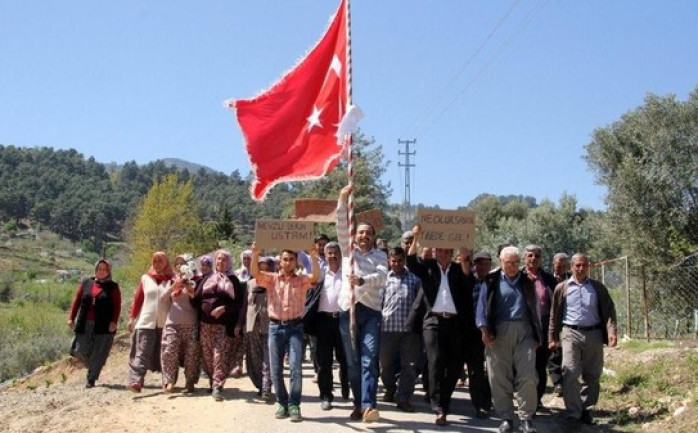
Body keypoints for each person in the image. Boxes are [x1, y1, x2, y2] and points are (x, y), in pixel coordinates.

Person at [406, 225, 472, 426]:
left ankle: (445, 399)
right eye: (439, 250)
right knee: (435, 361)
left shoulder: (458, 270)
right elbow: (410, 262)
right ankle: (439, 407)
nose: (442, 254)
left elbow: (468, 281)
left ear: (452, 253)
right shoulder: (428, 268)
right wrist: (416, 238)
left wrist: (465, 257)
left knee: (454, 365)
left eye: (446, 251)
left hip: (454, 323)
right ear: (435, 252)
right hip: (433, 321)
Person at [336, 185, 388, 423]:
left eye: (369, 233)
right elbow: (340, 223)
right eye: (361, 232)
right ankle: (358, 403)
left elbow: (382, 277)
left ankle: (369, 406)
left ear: (373, 238)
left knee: (369, 358)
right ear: (355, 235)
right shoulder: (348, 253)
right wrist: (342, 198)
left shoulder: (380, 256)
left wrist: (363, 280)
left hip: (371, 313)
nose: (364, 236)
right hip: (349, 310)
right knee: (353, 362)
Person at [251, 242, 320, 423]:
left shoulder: (301, 280)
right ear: (280, 262)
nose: (288, 262)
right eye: (285, 259)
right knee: (276, 368)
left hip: (295, 327)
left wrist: (313, 256)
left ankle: (294, 404)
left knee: (295, 368)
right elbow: (255, 274)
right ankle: (282, 402)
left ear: (296, 262)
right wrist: (255, 254)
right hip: (275, 327)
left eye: (291, 260)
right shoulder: (272, 279)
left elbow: (316, 277)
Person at [476, 246, 541, 433]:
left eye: (515, 262)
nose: (512, 266)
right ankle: (506, 418)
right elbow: (481, 307)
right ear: (500, 262)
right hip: (498, 332)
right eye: (508, 263)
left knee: (527, 375)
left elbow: (536, 308)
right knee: (498, 376)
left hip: (525, 331)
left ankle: (526, 418)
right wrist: (483, 330)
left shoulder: (528, 281)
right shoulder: (491, 280)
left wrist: (538, 335)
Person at [549, 253, 618, 426]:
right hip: (570, 333)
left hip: (593, 334)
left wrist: (612, 331)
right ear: (571, 267)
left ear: (588, 267)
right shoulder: (562, 288)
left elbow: (609, 311)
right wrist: (552, 337)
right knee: (570, 371)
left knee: (592, 375)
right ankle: (573, 412)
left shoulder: (597, 288)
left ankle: (587, 409)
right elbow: (554, 314)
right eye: (577, 265)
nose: (580, 269)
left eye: (584, 265)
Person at [193, 249, 243, 401]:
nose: (221, 262)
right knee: (207, 356)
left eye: (224, 260)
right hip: (205, 324)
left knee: (219, 355)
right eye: (218, 259)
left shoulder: (233, 280)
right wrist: (189, 293)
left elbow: (239, 304)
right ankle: (212, 381)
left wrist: (224, 309)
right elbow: (196, 300)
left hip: (223, 325)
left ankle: (217, 386)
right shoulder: (207, 279)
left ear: (229, 262)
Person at [379, 247, 421, 413]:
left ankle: (403, 398)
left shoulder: (414, 279)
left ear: (404, 261)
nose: (396, 264)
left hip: (409, 331)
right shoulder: (384, 279)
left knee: (409, 366)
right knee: (385, 365)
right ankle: (390, 389)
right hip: (386, 328)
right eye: (393, 261)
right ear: (389, 261)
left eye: (399, 261)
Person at [68, 259, 121, 388]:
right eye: (99, 269)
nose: (101, 272)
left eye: (104, 269)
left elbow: (117, 305)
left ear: (108, 271)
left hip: (104, 324)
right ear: (95, 270)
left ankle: (91, 379)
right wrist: (71, 317)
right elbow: (76, 301)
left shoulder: (113, 287)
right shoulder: (86, 283)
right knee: (78, 350)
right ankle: (92, 366)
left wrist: (114, 322)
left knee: (99, 352)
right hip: (85, 323)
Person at [127, 252, 174, 393]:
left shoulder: (172, 279)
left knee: (166, 354)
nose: (158, 264)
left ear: (166, 262)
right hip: (146, 322)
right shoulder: (145, 278)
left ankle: (168, 381)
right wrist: (132, 318)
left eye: (161, 261)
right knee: (142, 351)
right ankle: (136, 381)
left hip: (165, 322)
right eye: (155, 261)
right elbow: (138, 299)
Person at [311, 241, 349, 411]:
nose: (332, 256)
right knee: (323, 362)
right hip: (322, 322)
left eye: (335, 253)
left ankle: (346, 385)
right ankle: (326, 395)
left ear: (340, 255)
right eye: (329, 253)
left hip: (343, 320)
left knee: (345, 358)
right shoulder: (319, 275)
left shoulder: (348, 274)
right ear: (324, 256)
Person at [521, 245, 558, 412]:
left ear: (541, 258)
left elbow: (556, 306)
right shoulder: (517, 277)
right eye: (530, 255)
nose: (533, 259)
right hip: (523, 327)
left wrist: (554, 333)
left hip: (543, 328)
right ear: (524, 258)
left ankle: (536, 401)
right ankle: (525, 401)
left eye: (537, 256)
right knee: (523, 367)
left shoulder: (549, 280)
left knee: (540, 366)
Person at [160, 254, 200, 394]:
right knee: (169, 351)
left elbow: (199, 301)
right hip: (173, 322)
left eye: (182, 263)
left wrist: (191, 292)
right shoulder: (172, 281)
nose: (179, 266)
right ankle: (169, 381)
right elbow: (163, 299)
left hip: (191, 323)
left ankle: (190, 381)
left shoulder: (196, 280)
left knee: (192, 354)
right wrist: (173, 287)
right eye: (176, 264)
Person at [463, 251, 493, 419]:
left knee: (492, 370)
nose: (481, 266)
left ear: (490, 264)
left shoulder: (495, 282)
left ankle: (488, 401)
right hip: (472, 333)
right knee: (475, 371)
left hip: (492, 332)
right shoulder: (469, 282)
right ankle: (479, 404)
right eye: (478, 263)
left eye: (484, 263)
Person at [245, 256, 273, 401]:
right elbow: (245, 305)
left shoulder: (274, 283)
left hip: (269, 324)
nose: (263, 270)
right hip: (252, 325)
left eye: (266, 267)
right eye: (260, 266)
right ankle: (260, 385)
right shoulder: (249, 284)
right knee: (255, 358)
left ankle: (267, 388)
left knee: (268, 358)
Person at [548, 252, 570, 396]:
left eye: (563, 266)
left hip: (567, 321)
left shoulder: (572, 280)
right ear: (553, 265)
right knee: (553, 353)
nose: (560, 268)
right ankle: (557, 382)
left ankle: (567, 381)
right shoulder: (548, 279)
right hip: (550, 320)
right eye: (557, 265)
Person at [232, 249, 253, 378]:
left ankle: (252, 366)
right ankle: (237, 365)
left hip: (251, 308)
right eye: (244, 258)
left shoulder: (256, 274)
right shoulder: (237, 274)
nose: (246, 261)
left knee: (250, 338)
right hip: (239, 309)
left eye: (248, 258)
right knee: (238, 338)